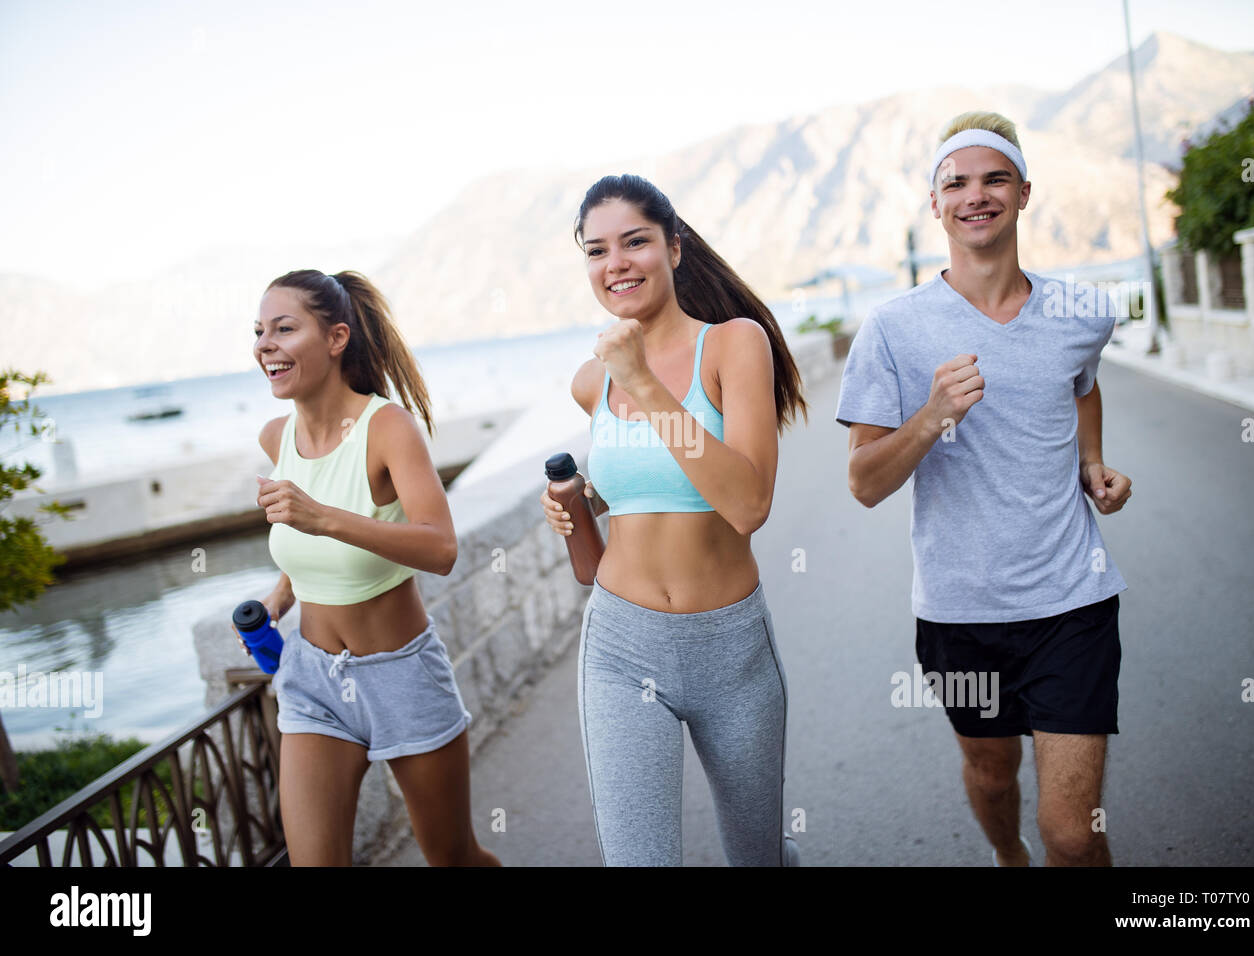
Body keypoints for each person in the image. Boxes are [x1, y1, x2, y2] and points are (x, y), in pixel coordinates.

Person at [837, 113, 1132, 867]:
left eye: (994, 178)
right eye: (956, 182)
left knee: (1073, 831)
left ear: (1024, 193)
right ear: (934, 205)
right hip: (959, 612)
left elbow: (1082, 384)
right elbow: (865, 482)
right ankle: (1008, 856)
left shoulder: (1082, 312)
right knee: (992, 775)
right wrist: (931, 416)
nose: (977, 195)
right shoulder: (893, 330)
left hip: (1073, 599)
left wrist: (1090, 460)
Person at [539, 174, 807, 866]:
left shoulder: (732, 345)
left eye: (635, 242)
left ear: (675, 248)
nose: (616, 263)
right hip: (622, 646)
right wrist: (584, 504)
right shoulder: (589, 380)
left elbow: (747, 504)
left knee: (759, 858)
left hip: (731, 650)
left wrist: (647, 384)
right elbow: (647, 485)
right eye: (597, 251)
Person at [245, 269, 498, 866]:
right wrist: (283, 593)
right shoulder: (274, 436)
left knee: (454, 858)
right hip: (312, 681)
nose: (265, 345)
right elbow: (309, 541)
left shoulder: (385, 427)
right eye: (258, 332)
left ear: (336, 339)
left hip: (400, 675)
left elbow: (440, 548)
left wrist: (323, 517)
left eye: (284, 329)